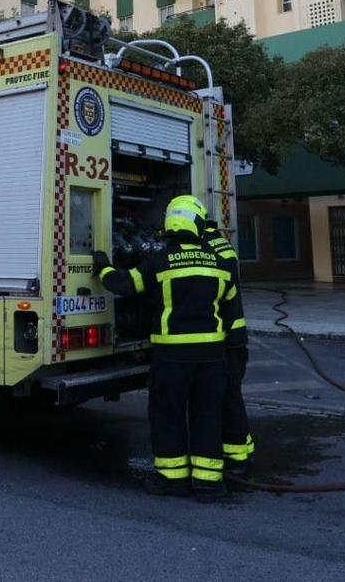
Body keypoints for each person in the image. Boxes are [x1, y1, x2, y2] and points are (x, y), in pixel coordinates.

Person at [94, 193, 232, 501]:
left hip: (173, 357)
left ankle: (172, 480)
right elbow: (226, 301)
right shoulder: (219, 262)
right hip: (212, 357)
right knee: (207, 416)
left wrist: (102, 265)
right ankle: (209, 484)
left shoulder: (160, 262)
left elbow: (124, 285)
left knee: (167, 416)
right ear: (197, 224)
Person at [199, 205, 253, 474]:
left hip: (226, 339)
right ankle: (242, 448)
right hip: (234, 337)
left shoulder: (207, 251)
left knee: (227, 398)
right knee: (230, 396)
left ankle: (237, 456)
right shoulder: (221, 246)